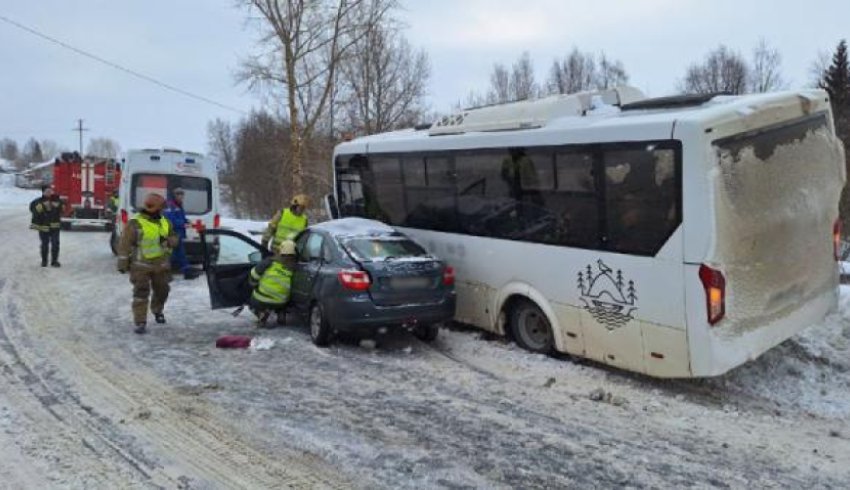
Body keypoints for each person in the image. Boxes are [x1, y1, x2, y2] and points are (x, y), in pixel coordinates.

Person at [117, 192, 179, 334]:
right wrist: (122, 263)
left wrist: (169, 241)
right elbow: (124, 244)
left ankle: (157, 310)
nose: (163, 210)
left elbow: (175, 238)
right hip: (141, 266)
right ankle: (140, 322)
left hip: (161, 265)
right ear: (156, 208)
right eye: (162, 207)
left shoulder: (165, 222)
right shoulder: (135, 223)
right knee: (141, 293)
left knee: (163, 290)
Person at [248, 240, 297, 327]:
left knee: (252, 302)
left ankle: (261, 314)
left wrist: (254, 284)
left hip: (262, 298)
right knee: (285, 297)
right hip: (282, 301)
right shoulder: (295, 267)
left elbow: (254, 274)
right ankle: (281, 314)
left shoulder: (270, 262)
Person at [163, 188, 199, 280]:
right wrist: (183, 224)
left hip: (178, 233)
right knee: (172, 255)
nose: (181, 197)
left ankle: (186, 272)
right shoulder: (169, 205)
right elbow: (170, 220)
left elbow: (180, 217)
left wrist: (187, 221)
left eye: (182, 195)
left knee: (180, 253)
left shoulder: (178, 205)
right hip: (172, 233)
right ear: (174, 195)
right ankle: (165, 274)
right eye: (178, 195)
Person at [29, 185, 64, 267]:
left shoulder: (57, 200)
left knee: (55, 244)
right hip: (43, 227)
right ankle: (44, 261)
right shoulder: (38, 201)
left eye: (50, 191)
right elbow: (33, 210)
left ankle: (54, 261)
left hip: (55, 226)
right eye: (47, 191)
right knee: (44, 244)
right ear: (43, 192)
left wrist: (59, 205)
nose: (49, 192)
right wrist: (42, 206)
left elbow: (62, 209)